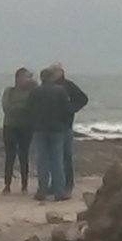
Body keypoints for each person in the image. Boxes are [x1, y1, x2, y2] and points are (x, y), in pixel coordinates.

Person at [28, 67, 72, 201]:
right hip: (57, 129)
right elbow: (67, 109)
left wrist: (34, 123)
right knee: (57, 161)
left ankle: (42, 190)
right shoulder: (60, 91)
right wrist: (64, 124)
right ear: (52, 77)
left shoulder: (35, 92)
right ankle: (59, 191)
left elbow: (29, 109)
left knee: (42, 161)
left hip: (40, 129)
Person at [50, 62, 88, 196]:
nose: (52, 74)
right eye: (51, 71)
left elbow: (83, 99)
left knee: (66, 157)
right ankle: (54, 184)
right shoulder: (49, 86)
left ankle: (68, 184)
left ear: (61, 72)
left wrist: (70, 109)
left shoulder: (68, 85)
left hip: (65, 125)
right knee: (54, 157)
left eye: (54, 71)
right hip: (51, 126)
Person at [1, 68, 37, 194]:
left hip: (26, 127)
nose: (28, 80)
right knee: (10, 156)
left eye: (29, 77)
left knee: (24, 156)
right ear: (18, 78)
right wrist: (23, 108)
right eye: (26, 77)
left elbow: (34, 107)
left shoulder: (32, 92)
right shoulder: (9, 92)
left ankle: (24, 185)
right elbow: (7, 108)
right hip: (10, 126)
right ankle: (7, 184)